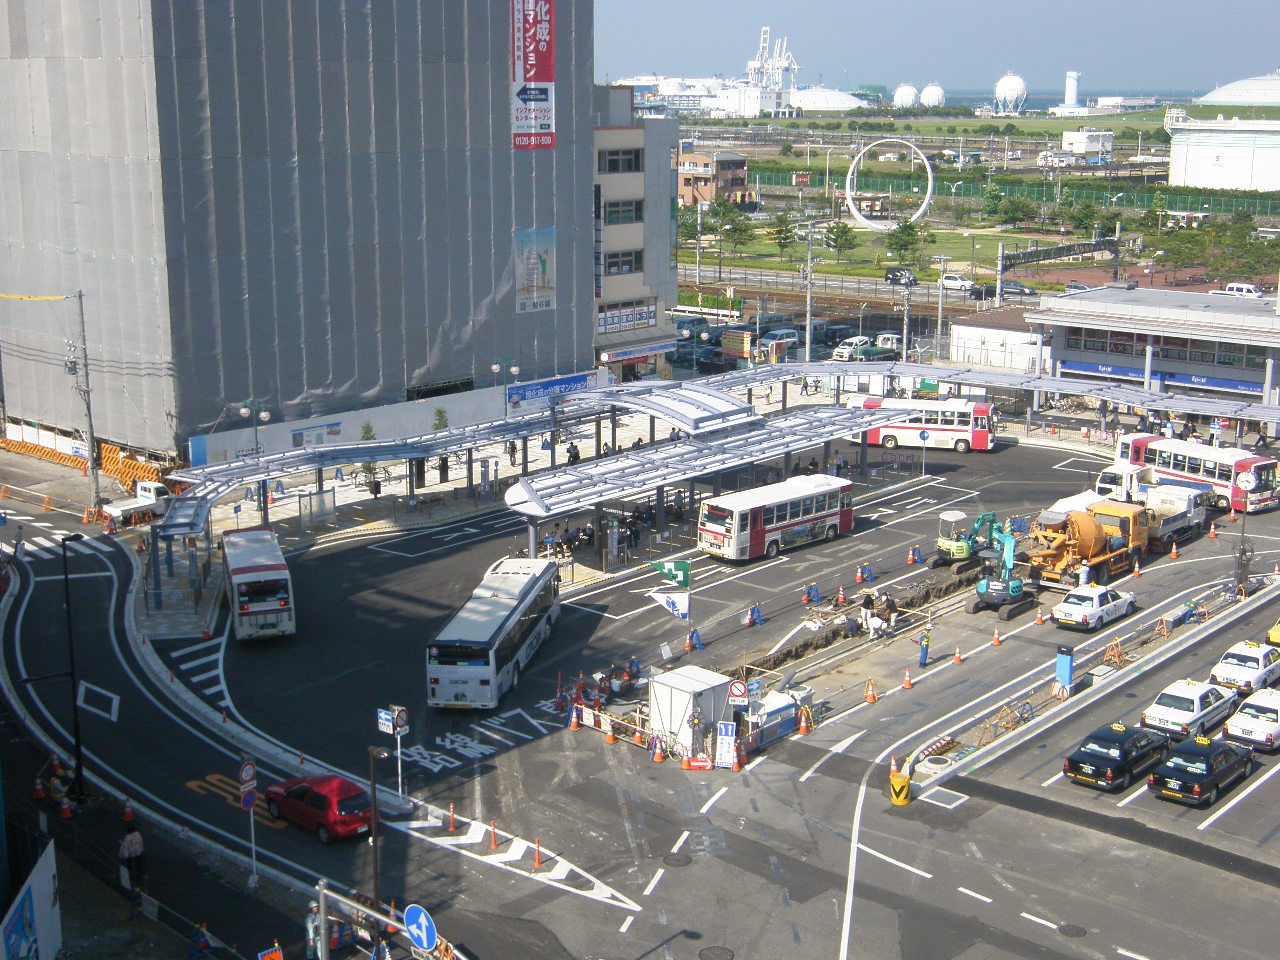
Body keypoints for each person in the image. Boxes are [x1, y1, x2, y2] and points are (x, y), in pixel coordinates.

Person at [119, 823, 146, 887]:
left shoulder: (128, 837)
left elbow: (125, 846)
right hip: (138, 851)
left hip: (131, 853)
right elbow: (140, 842)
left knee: (129, 862)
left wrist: (123, 854)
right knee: (138, 863)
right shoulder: (137, 834)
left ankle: (131, 873)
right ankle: (139, 875)